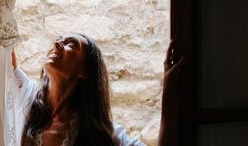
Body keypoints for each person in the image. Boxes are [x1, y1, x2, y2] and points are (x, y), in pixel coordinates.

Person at [10, 35, 183, 146]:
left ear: (84, 70)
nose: (56, 43)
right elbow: (2, 46)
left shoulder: (100, 135)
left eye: (70, 43)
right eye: (59, 39)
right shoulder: (26, 98)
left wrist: (169, 87)